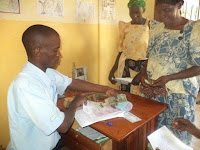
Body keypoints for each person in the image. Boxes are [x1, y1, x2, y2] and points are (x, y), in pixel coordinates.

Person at [7, 24, 118, 150]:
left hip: (52, 140)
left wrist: (106, 89)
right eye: (55, 50)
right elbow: (63, 126)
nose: (59, 55)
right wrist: (75, 102)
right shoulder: (26, 85)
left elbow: (72, 82)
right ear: (37, 51)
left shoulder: (47, 72)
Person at [140, 0, 200, 145]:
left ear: (180, 4)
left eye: (167, 10)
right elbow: (151, 57)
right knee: (152, 134)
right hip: (152, 92)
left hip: (179, 96)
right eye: (160, 11)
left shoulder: (193, 30)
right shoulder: (156, 27)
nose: (162, 15)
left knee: (175, 136)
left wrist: (169, 77)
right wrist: (143, 73)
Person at [108, 0, 149, 95]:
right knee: (125, 97)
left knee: (142, 98)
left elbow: (154, 53)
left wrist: (142, 73)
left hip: (144, 69)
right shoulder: (125, 27)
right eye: (131, 12)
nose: (134, 15)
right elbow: (120, 51)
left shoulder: (150, 26)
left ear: (143, 10)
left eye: (137, 12)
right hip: (126, 68)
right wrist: (112, 71)